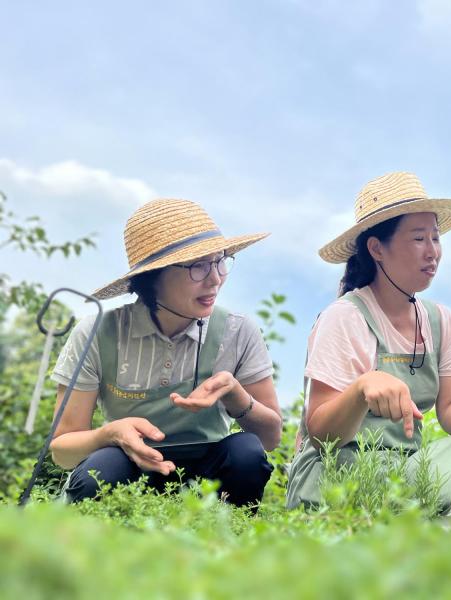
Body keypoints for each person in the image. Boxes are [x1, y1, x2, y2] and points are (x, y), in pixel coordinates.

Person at [286, 172, 451, 515]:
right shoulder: (345, 317)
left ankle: (421, 525)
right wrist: (361, 389)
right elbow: (320, 435)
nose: (433, 252)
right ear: (376, 249)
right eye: (419, 239)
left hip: (407, 465)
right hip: (343, 473)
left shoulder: (439, 319)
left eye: (436, 238)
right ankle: (420, 539)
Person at [50, 198, 282, 508]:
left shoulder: (238, 332)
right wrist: (111, 434)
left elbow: (270, 439)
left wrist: (235, 394)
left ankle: (225, 544)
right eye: (198, 266)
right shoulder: (98, 334)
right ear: (154, 275)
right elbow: (62, 450)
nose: (215, 279)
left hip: (209, 471)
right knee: (100, 469)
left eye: (219, 261)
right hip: (129, 465)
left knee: (247, 454)